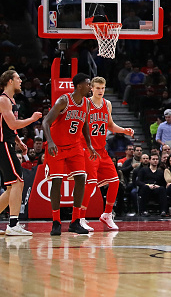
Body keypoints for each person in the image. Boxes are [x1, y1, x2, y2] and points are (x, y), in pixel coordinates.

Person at [42, 73, 98, 235]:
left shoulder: (87, 103)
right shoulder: (64, 101)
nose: (90, 87)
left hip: (74, 147)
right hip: (57, 147)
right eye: (88, 84)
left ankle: (75, 221)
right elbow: (46, 122)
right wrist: (50, 142)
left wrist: (89, 145)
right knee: (57, 182)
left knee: (82, 178)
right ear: (79, 86)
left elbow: (85, 124)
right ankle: (56, 222)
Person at [79, 77, 135, 232]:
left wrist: (124, 130)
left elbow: (110, 125)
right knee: (90, 184)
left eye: (103, 88)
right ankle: (80, 218)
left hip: (102, 151)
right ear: (91, 88)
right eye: (97, 88)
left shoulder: (107, 104)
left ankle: (107, 214)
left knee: (115, 181)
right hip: (88, 150)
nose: (101, 91)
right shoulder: (86, 103)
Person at [0, 70, 42, 235]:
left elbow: (8, 127)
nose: (20, 81)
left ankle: (13, 224)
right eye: (18, 78)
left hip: (7, 143)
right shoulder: (3, 100)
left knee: (12, 187)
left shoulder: (11, 100)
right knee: (18, 182)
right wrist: (32, 119)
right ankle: (13, 224)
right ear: (10, 81)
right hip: (3, 144)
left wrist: (19, 141)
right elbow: (12, 125)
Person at [137, 152, 168, 216]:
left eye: (156, 159)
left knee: (162, 189)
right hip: (146, 189)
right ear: (150, 160)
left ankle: (163, 211)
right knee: (145, 188)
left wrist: (158, 186)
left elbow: (163, 184)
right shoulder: (143, 170)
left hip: (156, 189)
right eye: (153, 159)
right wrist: (148, 185)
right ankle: (143, 211)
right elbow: (138, 182)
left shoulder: (161, 172)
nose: (155, 161)